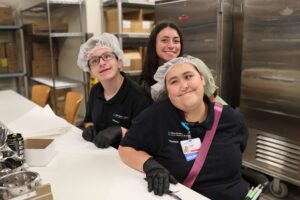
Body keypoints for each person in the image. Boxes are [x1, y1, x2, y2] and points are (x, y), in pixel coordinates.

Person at [118, 56, 248, 200]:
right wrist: (150, 165)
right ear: (167, 91)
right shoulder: (156, 116)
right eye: (174, 81)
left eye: (188, 76)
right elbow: (126, 148)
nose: (184, 86)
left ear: (202, 79)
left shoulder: (231, 118)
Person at [77, 33, 153, 149]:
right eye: (94, 61)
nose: (102, 63)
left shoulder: (139, 97)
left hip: (126, 160)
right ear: (90, 71)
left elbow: (149, 138)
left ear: (119, 62)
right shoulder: (95, 91)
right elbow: (88, 120)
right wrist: (89, 127)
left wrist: (121, 131)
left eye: (107, 56)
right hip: (99, 154)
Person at [140, 20, 226, 104]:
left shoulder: (194, 65)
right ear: (153, 43)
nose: (171, 46)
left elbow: (212, 100)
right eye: (164, 40)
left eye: (176, 41)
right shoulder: (149, 73)